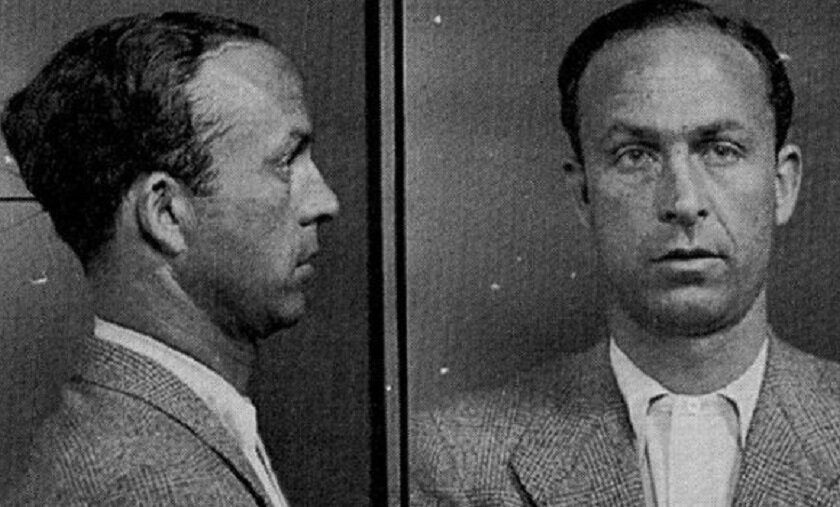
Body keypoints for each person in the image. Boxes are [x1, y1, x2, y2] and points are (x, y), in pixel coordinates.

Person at [410, 0, 840, 505]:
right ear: (583, 195)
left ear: (782, 184)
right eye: (635, 155)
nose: (684, 202)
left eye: (721, 150)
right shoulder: (454, 461)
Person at [1, 11, 338, 506]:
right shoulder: (150, 485)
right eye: (287, 162)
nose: (326, 202)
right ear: (166, 214)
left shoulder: (152, 429)